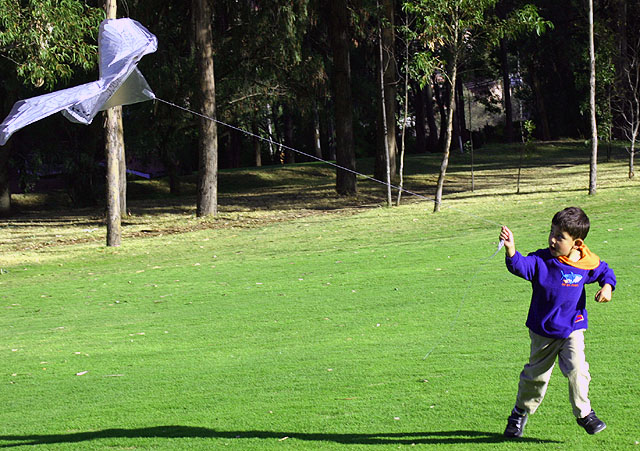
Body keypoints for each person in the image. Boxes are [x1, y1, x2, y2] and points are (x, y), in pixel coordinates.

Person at [499, 206, 616, 438]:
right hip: (543, 331)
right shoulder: (541, 260)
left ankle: (585, 414)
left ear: (577, 243)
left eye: (560, 237)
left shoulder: (584, 264)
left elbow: (604, 271)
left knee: (578, 370)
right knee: (535, 377)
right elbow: (520, 266)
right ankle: (519, 413)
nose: (552, 239)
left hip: (572, 328)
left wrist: (607, 287)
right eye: (551, 232)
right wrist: (511, 250)